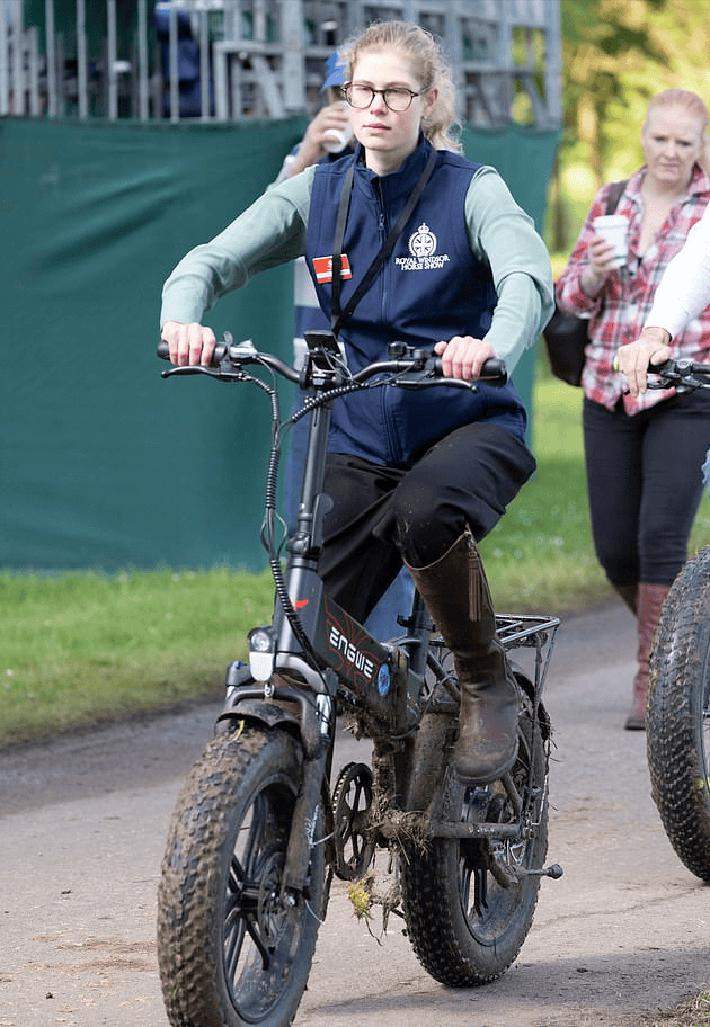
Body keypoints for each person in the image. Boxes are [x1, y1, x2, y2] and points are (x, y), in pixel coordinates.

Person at [160, 20, 553, 784]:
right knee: (305, 609)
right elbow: (210, 260)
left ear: (427, 99)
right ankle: (294, 779)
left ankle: (483, 678)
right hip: (361, 435)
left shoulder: (472, 189)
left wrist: (492, 347)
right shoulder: (320, 190)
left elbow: (525, 279)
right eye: (362, 90)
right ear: (348, 97)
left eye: (395, 91)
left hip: (466, 421)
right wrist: (184, 318)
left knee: (425, 509)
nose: (375, 104)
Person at [557, 89, 710, 730]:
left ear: (701, 148)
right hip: (609, 386)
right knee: (615, 548)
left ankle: (656, 678)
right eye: (661, 138)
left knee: (660, 541)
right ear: (644, 138)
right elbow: (569, 298)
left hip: (687, 388)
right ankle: (688, 650)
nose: (671, 152)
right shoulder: (612, 202)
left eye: (685, 141)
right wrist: (592, 272)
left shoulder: (707, 210)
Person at [275, 52, 416, 642]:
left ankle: (391, 649)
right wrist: (307, 153)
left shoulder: (419, 165)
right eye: (348, 92)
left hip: (390, 367)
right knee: (306, 517)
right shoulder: (316, 172)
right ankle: (303, 649)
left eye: (380, 92)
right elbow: (271, 227)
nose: (362, 104)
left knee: (390, 515)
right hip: (318, 368)